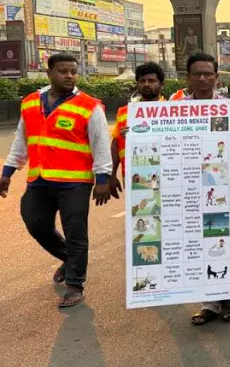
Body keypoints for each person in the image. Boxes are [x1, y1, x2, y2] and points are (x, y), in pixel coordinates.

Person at [0, 53, 114, 308]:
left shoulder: (89, 105)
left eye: (73, 71)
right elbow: (21, 140)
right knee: (35, 223)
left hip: (75, 182)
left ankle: (74, 284)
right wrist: (7, 172)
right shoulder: (30, 103)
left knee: (76, 233)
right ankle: (68, 258)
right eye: (63, 71)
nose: (69, 76)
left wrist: (103, 178)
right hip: (39, 179)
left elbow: (101, 144)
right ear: (49, 73)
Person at [181, 53, 230, 325]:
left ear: (216, 77)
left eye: (208, 73)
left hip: (218, 188)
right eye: (197, 74)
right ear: (188, 77)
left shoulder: (228, 106)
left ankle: (228, 298)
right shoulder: (177, 108)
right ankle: (209, 303)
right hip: (187, 187)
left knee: (220, 243)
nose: (202, 78)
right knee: (197, 245)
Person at [111, 62, 166, 191]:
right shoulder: (124, 112)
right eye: (142, 81)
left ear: (162, 84)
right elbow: (115, 145)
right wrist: (111, 175)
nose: (146, 84)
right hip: (133, 175)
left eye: (151, 81)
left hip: (166, 175)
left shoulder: (173, 111)